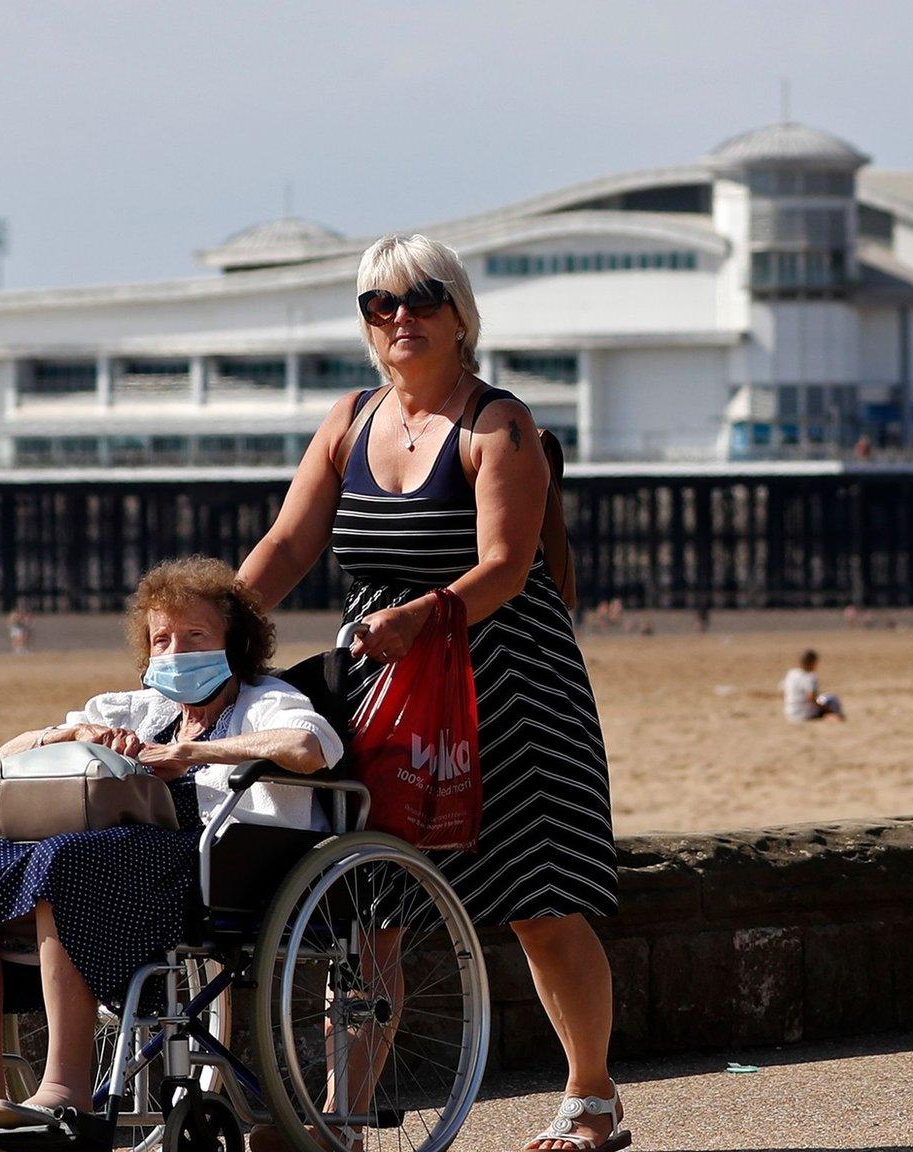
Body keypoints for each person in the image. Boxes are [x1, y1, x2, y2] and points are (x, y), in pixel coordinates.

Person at [236, 234, 626, 1152]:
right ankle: (339, 1116)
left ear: (459, 316)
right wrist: (216, 630)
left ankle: (592, 1098)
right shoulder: (348, 421)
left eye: (419, 300)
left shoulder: (501, 425)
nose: (399, 319)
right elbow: (290, 546)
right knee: (371, 905)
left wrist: (422, 615)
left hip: (510, 689)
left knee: (541, 901)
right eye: (380, 305)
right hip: (386, 693)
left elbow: (505, 566)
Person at [0, 558, 338, 1139]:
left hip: (212, 859)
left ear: (234, 644)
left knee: (68, 865)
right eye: (163, 639)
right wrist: (73, 734)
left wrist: (193, 755)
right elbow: (8, 753)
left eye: (195, 636)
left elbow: (309, 747)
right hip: (116, 853)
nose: (177, 652)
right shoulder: (138, 708)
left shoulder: (265, 699)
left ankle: (65, 1090)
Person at [783, 650, 845, 721]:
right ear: (812, 663)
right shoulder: (810, 677)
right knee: (831, 700)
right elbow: (811, 698)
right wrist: (826, 709)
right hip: (804, 714)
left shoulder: (791, 673)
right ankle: (832, 717)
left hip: (790, 713)